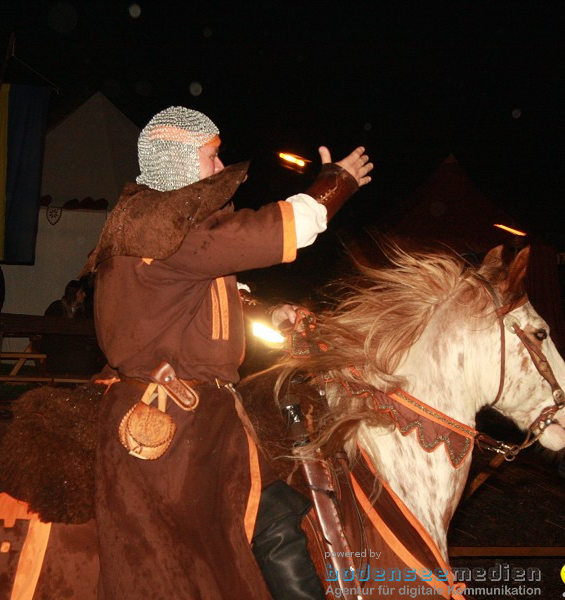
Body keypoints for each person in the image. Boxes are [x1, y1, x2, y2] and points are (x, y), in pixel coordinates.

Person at [79, 106, 372, 599]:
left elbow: (203, 293)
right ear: (175, 162)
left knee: (270, 516)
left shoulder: (159, 222)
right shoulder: (161, 222)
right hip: (172, 422)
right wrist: (334, 185)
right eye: (211, 158)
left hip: (192, 415)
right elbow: (267, 233)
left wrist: (271, 313)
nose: (220, 169)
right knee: (269, 520)